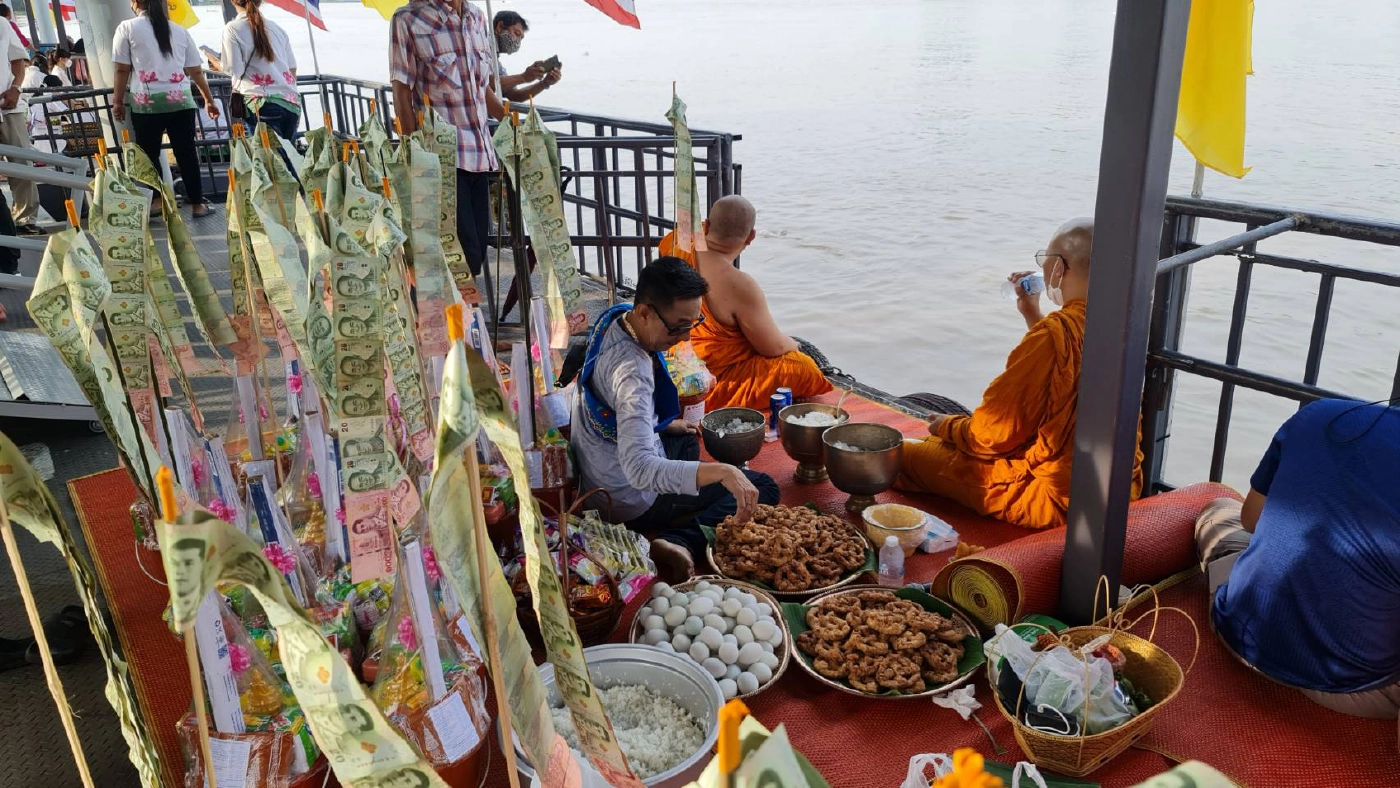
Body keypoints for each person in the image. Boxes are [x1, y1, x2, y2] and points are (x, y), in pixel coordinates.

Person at [893, 218, 1141, 529]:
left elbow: (992, 436)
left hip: (1058, 500)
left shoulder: (1055, 335)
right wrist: (1031, 312)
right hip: (1117, 490)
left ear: (1059, 269)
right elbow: (1065, 373)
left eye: (1045, 260)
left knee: (903, 454)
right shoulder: (1121, 321)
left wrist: (947, 426)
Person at [571, 257, 780, 580]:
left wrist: (664, 424)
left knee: (684, 439)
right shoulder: (632, 376)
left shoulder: (616, 317)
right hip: (626, 497)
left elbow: (612, 400)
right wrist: (724, 472)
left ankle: (679, 512)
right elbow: (640, 471)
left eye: (692, 324)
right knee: (761, 486)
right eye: (678, 327)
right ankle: (678, 539)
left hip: (600, 469)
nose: (684, 338)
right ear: (644, 312)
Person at [1196, 399, 1400, 729]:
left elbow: (1250, 519)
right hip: (1351, 688)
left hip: (1238, 634)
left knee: (1220, 509)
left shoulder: (1321, 413)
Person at [657, 196, 832, 411]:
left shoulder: (676, 243)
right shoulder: (740, 284)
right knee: (802, 368)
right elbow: (772, 347)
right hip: (706, 381)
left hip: (666, 365)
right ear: (751, 237)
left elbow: (693, 230)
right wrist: (793, 344)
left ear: (708, 225)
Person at [389, 0, 504, 278]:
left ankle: (462, 316)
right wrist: (412, 154)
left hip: (480, 154)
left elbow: (483, 88)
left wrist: (514, 125)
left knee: (477, 251)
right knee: (460, 255)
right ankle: (453, 316)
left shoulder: (476, 17)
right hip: (440, 159)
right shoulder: (408, 19)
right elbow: (402, 91)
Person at [112, 0, 221, 217]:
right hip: (181, 102)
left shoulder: (127, 28)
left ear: (135, 2)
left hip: (146, 105)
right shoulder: (180, 31)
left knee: (149, 155)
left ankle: (158, 201)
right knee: (186, 153)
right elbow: (196, 71)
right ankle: (198, 204)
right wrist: (209, 100)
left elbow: (122, 70)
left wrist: (117, 101)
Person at [220, 0, 300, 141]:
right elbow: (292, 69)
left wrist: (217, 62)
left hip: (260, 103)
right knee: (288, 156)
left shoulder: (232, 28)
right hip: (290, 103)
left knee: (268, 159)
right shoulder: (277, 28)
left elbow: (234, 69)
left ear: (233, 2)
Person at [0, 20, 41, 235]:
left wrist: (16, 88)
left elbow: (18, 61)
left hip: (7, 105)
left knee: (22, 162)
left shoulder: (1, 24)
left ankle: (25, 218)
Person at [492, 11, 561, 103]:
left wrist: (544, 83)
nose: (518, 41)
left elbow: (514, 95)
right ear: (500, 27)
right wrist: (524, 77)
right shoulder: (481, 48)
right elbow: (484, 83)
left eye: (521, 38)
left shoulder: (496, 61)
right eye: (516, 33)